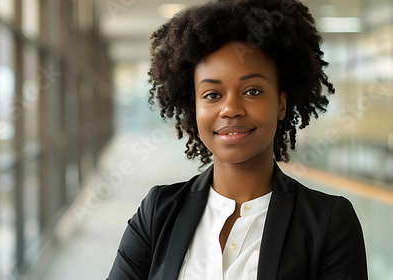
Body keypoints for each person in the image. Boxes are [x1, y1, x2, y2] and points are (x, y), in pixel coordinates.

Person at [107, 0, 368, 279]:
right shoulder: (157, 211)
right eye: (212, 95)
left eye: (253, 91)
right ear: (194, 107)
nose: (230, 109)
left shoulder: (328, 223)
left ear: (281, 104)